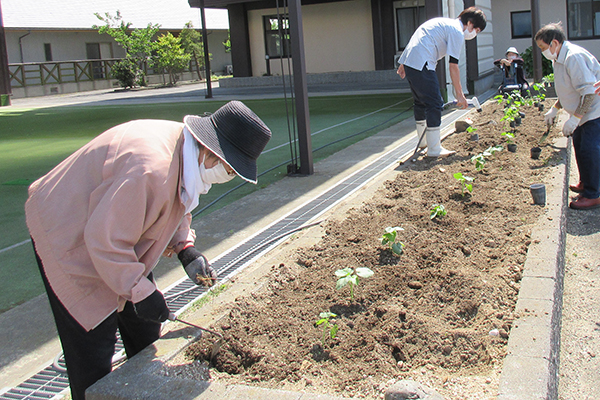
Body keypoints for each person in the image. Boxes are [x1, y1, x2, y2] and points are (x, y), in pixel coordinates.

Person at [25, 100, 272, 399]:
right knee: (94, 351)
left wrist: (185, 248)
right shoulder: (150, 169)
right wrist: (140, 292)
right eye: (230, 168)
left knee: (144, 327)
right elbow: (105, 242)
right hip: (67, 231)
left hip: (110, 231)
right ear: (209, 151)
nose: (228, 176)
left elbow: (176, 200)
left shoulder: (185, 153)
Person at [397, 7, 487, 157]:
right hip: (422, 63)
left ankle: (424, 142)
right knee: (434, 103)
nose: (474, 34)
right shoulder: (457, 31)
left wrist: (404, 62)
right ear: (470, 23)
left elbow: (418, 36)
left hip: (413, 62)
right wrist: (460, 94)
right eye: (476, 30)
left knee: (420, 102)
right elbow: (453, 66)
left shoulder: (443, 22)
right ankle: (434, 148)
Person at [536, 22, 600, 210]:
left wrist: (575, 119)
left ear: (554, 43)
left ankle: (593, 194)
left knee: (590, 149)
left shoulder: (574, 57)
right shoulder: (559, 58)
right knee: (579, 146)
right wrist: (555, 108)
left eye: (543, 47)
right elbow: (568, 90)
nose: (542, 52)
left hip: (593, 111)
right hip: (582, 113)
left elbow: (588, 93)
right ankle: (586, 182)